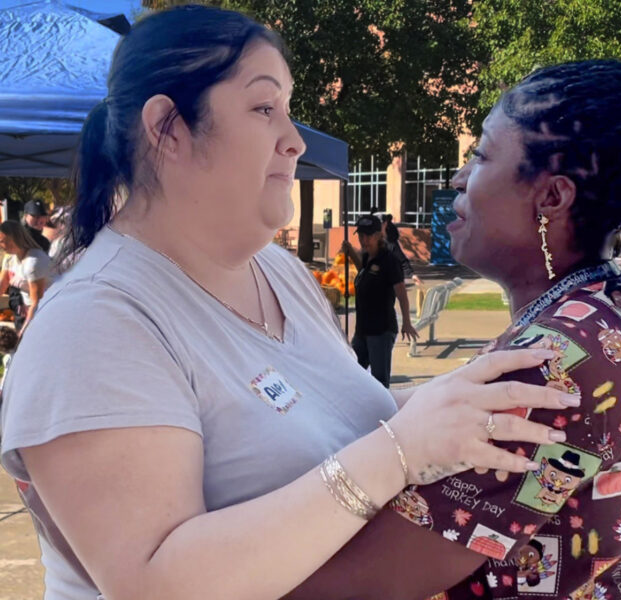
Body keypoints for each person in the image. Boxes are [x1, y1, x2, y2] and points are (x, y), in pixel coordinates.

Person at [0, 7, 575, 600]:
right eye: (263, 108)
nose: (294, 140)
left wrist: (465, 398)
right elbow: (157, 582)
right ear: (167, 128)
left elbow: (333, 418)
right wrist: (400, 452)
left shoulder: (277, 271)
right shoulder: (96, 322)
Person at [286, 61, 621, 600]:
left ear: (552, 198)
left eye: (481, 155)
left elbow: (353, 585)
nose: (457, 179)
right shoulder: (613, 306)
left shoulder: (550, 366)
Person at [340, 214, 418, 387]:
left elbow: (401, 293)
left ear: (378, 236)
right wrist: (351, 251)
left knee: (379, 381)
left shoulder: (389, 260)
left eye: (368, 235)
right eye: (361, 236)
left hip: (381, 330)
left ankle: (384, 413)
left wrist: (406, 321)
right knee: (353, 375)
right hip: (363, 330)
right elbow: (364, 271)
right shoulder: (367, 256)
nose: (364, 240)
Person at [0, 221, 51, 334]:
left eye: (2, 242)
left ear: (14, 239)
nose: (0, 246)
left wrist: (22, 332)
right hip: (29, 311)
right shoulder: (9, 259)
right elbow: (1, 286)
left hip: (47, 311)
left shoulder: (34, 262)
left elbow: (37, 303)